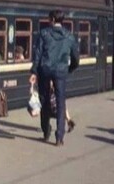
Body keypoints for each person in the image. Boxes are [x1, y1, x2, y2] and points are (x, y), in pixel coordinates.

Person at [29, 10, 79, 146]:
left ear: (51, 19)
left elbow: (38, 54)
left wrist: (34, 72)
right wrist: (70, 68)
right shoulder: (69, 36)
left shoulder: (44, 34)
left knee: (44, 100)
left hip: (45, 70)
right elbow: (75, 56)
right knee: (60, 102)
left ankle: (46, 132)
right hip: (61, 71)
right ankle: (59, 137)